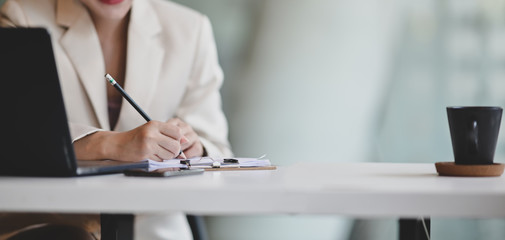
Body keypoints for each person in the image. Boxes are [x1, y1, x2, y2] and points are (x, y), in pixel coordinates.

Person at [0, 0, 232, 239]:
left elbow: (216, 145)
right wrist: (113, 144)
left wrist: (196, 147)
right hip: (48, 223)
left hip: (153, 227)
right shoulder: (21, 15)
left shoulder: (191, 29)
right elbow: (14, 136)